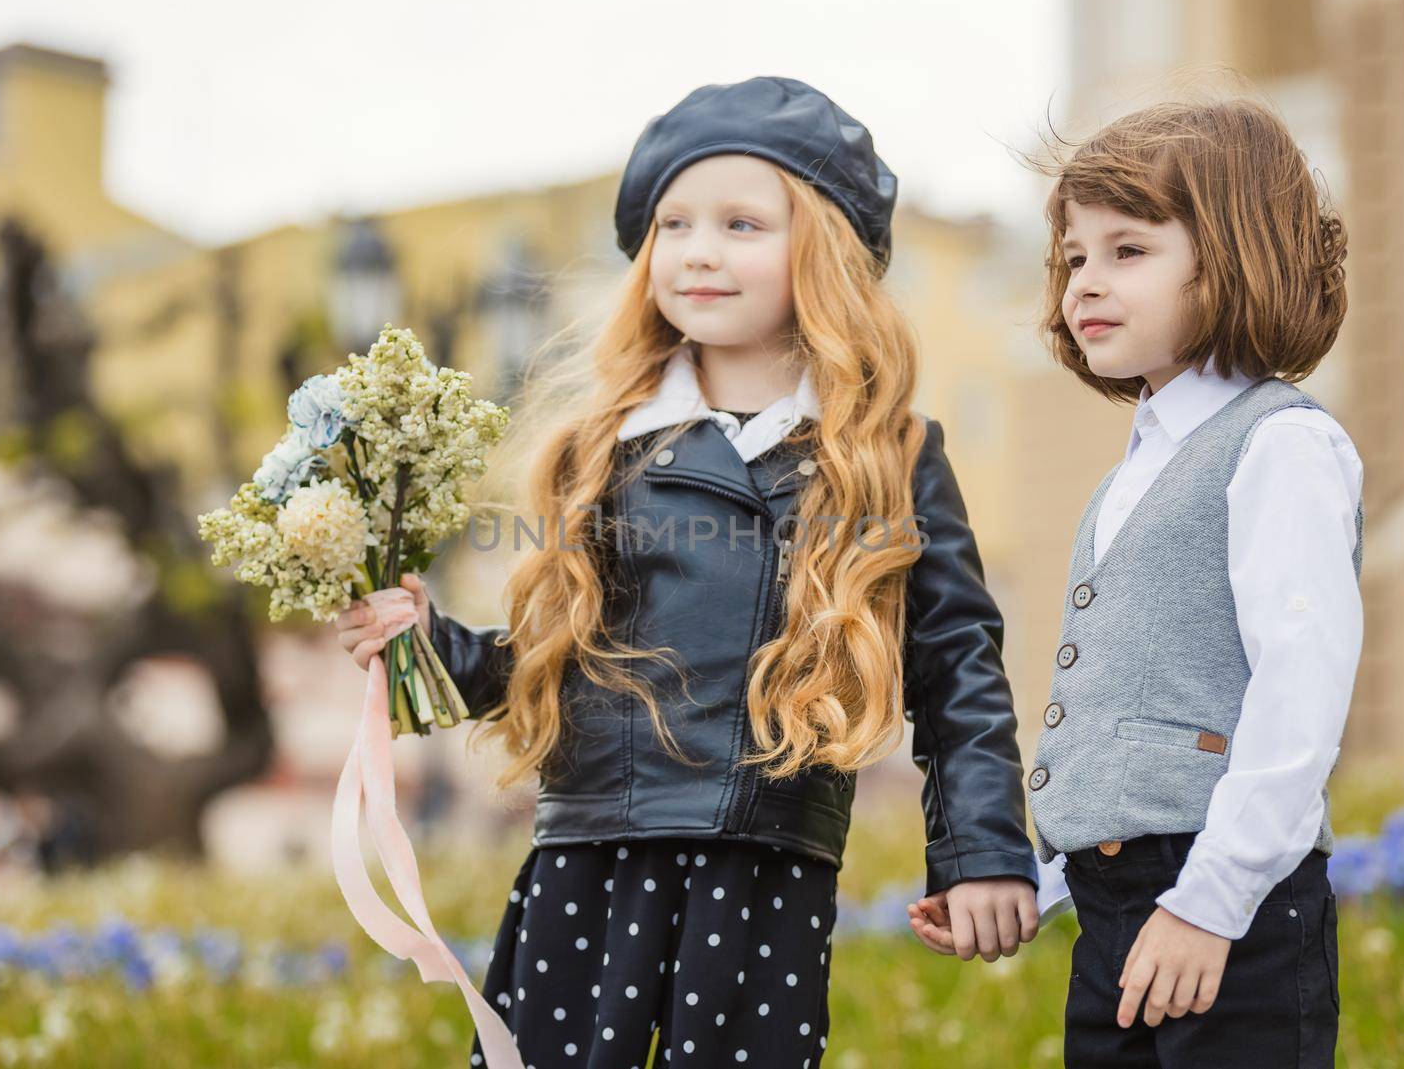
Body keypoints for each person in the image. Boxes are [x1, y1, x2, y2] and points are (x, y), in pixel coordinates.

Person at [335, 75, 1039, 1068]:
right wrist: (425, 644)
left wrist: (982, 854)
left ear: (823, 254)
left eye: (741, 223)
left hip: (765, 865)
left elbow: (956, 664)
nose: (698, 249)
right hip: (587, 858)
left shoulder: (888, 452)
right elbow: (547, 662)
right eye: (673, 223)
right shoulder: (604, 447)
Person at [1005, 98, 1359, 1067]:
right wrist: (1037, 885)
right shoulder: (1134, 470)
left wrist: (1209, 902)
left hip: (1229, 901)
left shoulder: (1279, 444)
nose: (1085, 281)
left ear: (1236, 255)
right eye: (1074, 256)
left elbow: (1299, 692)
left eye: (1128, 251)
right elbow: (1140, 721)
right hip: (1118, 902)